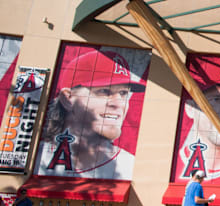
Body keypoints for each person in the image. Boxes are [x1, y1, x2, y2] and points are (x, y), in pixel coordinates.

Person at [37, 49, 145, 180]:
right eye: (104, 91)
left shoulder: (129, 167)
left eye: (123, 93)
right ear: (67, 98)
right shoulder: (37, 159)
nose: (119, 104)